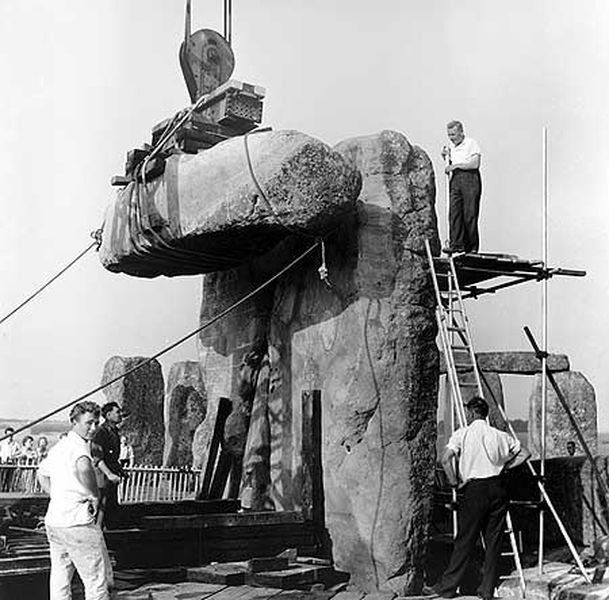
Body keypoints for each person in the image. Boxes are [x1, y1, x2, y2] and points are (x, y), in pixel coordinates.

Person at [428, 397, 523, 600]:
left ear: (471, 413)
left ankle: (447, 588)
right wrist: (506, 467)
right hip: (498, 488)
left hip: (475, 488)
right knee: (494, 540)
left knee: (465, 539)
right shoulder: (499, 435)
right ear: (486, 414)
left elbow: (445, 459)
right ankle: (486, 590)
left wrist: (454, 482)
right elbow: (525, 454)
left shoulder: (462, 434)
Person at [37, 401, 113, 600]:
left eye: (96, 422)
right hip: (77, 522)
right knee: (96, 580)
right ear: (74, 422)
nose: (93, 428)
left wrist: (58, 496)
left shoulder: (59, 447)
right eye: (88, 423)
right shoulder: (79, 448)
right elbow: (83, 468)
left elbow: (41, 474)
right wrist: (94, 494)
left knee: (60, 577)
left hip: (55, 521)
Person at [441, 120, 482, 255]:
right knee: (455, 212)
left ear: (461, 132)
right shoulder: (451, 147)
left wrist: (456, 166)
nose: (451, 138)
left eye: (453, 134)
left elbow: (475, 164)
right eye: (449, 135)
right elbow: (450, 164)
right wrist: (446, 157)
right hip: (456, 179)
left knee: (469, 214)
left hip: (470, 178)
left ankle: (472, 247)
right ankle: (457, 244)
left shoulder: (471, 143)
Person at [92, 402, 127, 528]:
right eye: (117, 412)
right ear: (108, 415)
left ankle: (110, 534)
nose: (120, 415)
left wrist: (120, 470)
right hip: (102, 476)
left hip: (111, 475)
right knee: (101, 505)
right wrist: (109, 474)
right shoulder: (101, 432)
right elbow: (98, 457)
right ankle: (97, 532)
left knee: (111, 506)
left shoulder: (114, 432)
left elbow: (112, 458)